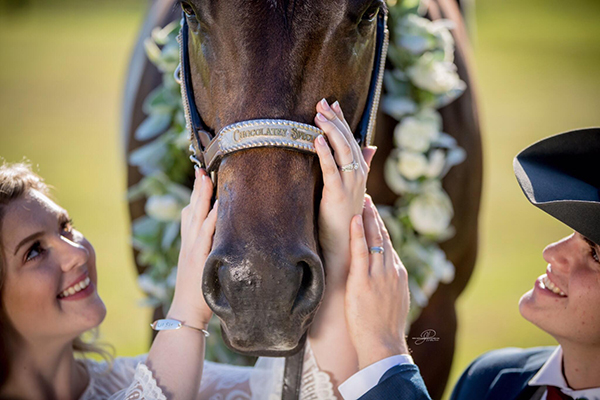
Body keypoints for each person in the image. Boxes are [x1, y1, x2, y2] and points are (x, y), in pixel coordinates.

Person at [0, 99, 375, 399]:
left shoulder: (135, 378)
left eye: (66, 228)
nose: (77, 253)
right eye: (34, 252)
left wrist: (338, 242)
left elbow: (309, 395)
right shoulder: (165, 378)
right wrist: (187, 311)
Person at [338, 128, 600, 400]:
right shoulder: (489, 381)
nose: (551, 253)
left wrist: (384, 349)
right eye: (574, 235)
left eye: (594, 254)